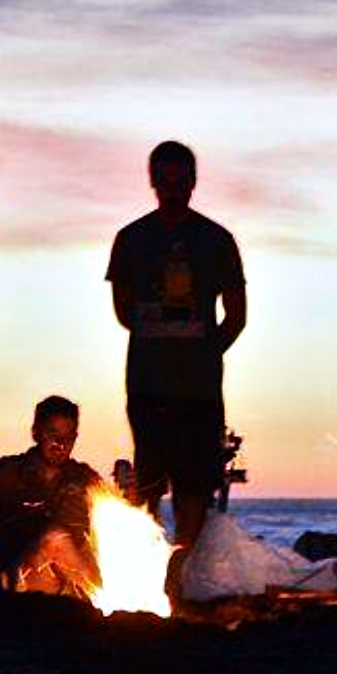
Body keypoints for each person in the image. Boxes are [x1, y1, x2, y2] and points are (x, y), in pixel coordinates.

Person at [105, 141, 245, 580]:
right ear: (151, 181)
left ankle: (180, 576)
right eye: (164, 181)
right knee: (147, 481)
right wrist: (165, 337)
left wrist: (203, 353)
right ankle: (145, 573)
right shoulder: (131, 239)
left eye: (180, 181)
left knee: (195, 486)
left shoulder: (218, 241)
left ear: (193, 182)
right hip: (147, 384)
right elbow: (124, 312)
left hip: (199, 390)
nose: (172, 189)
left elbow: (237, 317)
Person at [0, 395, 104, 598]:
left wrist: (128, 488)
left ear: (75, 437)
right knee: (55, 539)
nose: (60, 443)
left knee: (78, 543)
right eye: (53, 433)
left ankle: (100, 601)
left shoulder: (84, 478)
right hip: (27, 580)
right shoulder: (8, 473)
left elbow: (122, 515)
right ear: (36, 433)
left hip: (77, 583)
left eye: (68, 437)